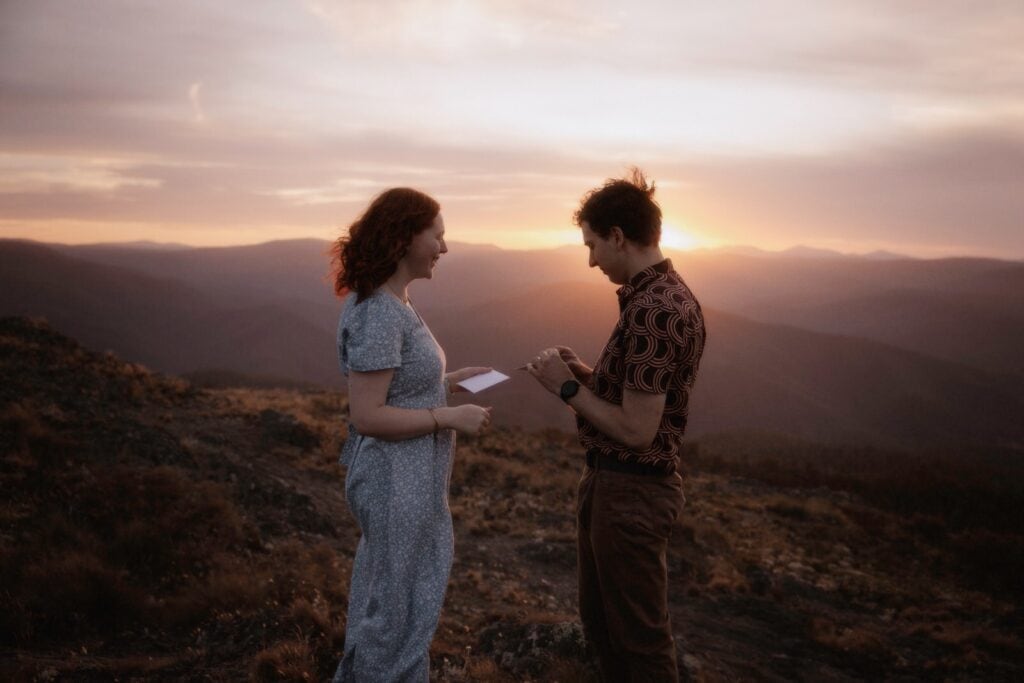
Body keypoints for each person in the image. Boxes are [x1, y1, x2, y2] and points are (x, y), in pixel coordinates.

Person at [526, 169, 705, 681]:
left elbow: (635, 430)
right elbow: (637, 396)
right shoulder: (660, 298)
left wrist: (566, 388)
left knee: (638, 643)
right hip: (617, 488)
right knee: (606, 629)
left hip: (631, 493)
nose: (590, 260)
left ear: (618, 237)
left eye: (592, 245)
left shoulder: (655, 311)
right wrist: (583, 373)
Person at [329, 187, 493, 682]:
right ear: (404, 238)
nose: (444, 248)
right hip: (394, 479)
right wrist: (450, 417)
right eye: (437, 236)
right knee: (394, 609)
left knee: (399, 597)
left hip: (412, 478)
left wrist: (448, 381)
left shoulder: (397, 301)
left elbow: (398, 387)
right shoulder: (380, 312)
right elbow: (369, 416)